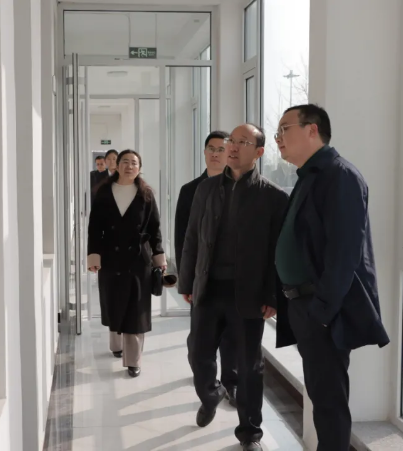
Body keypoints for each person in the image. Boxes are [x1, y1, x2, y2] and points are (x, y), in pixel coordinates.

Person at [273, 104, 390, 450]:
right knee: (320, 395)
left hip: (322, 309)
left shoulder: (340, 176)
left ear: (312, 130)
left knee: (329, 402)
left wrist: (322, 313)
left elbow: (345, 253)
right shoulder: (310, 176)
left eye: (285, 129)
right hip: (304, 304)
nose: (279, 138)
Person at [178, 124, 288, 451]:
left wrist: (272, 296)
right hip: (208, 288)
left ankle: (250, 434)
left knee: (250, 366)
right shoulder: (206, 189)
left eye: (243, 142)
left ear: (259, 152)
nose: (233, 147)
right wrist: (187, 281)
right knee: (198, 353)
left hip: (249, 294)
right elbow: (192, 238)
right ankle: (210, 395)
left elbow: (277, 252)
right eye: (231, 141)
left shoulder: (273, 197)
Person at [87, 150, 167, 378]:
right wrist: (93, 255)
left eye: (134, 163)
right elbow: (95, 227)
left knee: (136, 309)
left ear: (139, 168)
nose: (129, 166)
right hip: (110, 257)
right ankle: (116, 344)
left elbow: (155, 229)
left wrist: (159, 258)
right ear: (117, 165)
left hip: (138, 259)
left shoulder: (146, 194)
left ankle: (133, 360)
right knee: (113, 302)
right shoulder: (104, 192)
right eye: (125, 162)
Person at [174, 130, 238, 407]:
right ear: (204, 152)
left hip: (232, 277)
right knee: (200, 338)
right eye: (211, 148)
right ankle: (207, 384)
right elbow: (182, 238)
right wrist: (185, 280)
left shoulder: (239, 188)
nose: (215, 153)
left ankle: (231, 384)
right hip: (202, 277)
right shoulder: (190, 190)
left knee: (231, 337)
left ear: (229, 153)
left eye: (221, 149)